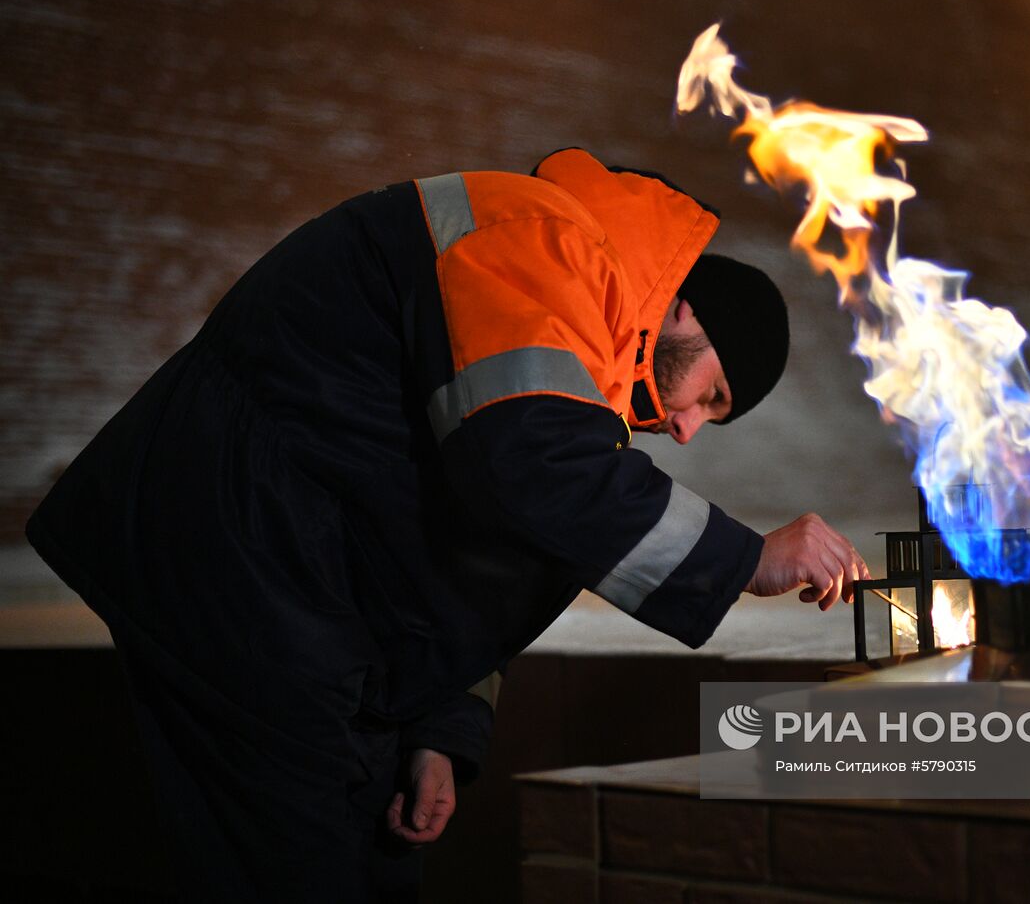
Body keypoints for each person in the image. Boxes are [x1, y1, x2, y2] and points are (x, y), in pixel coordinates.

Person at [26, 147, 869, 902]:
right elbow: (527, 462)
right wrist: (745, 557)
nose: (687, 429)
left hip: (304, 605)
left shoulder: (587, 354)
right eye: (711, 397)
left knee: (370, 864)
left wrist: (441, 727)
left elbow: (487, 542)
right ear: (686, 311)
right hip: (232, 569)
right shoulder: (544, 242)